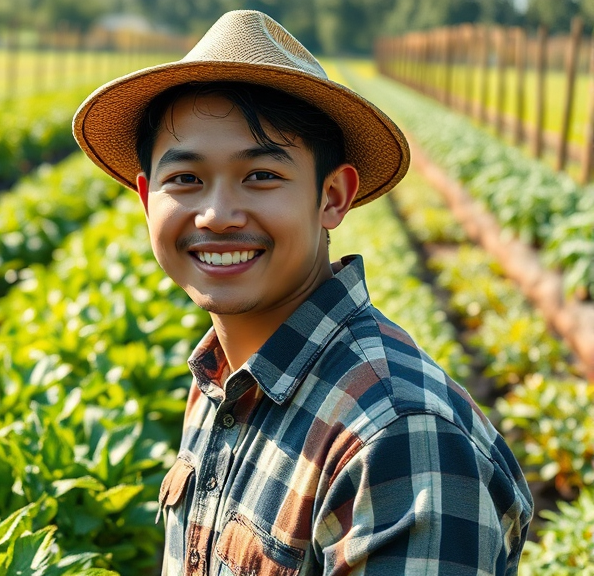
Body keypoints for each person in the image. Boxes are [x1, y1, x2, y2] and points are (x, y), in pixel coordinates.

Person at [72, 10, 533, 576]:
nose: (216, 216)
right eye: (185, 179)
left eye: (261, 175)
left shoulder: (398, 439)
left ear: (333, 196)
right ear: (147, 198)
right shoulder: (220, 380)